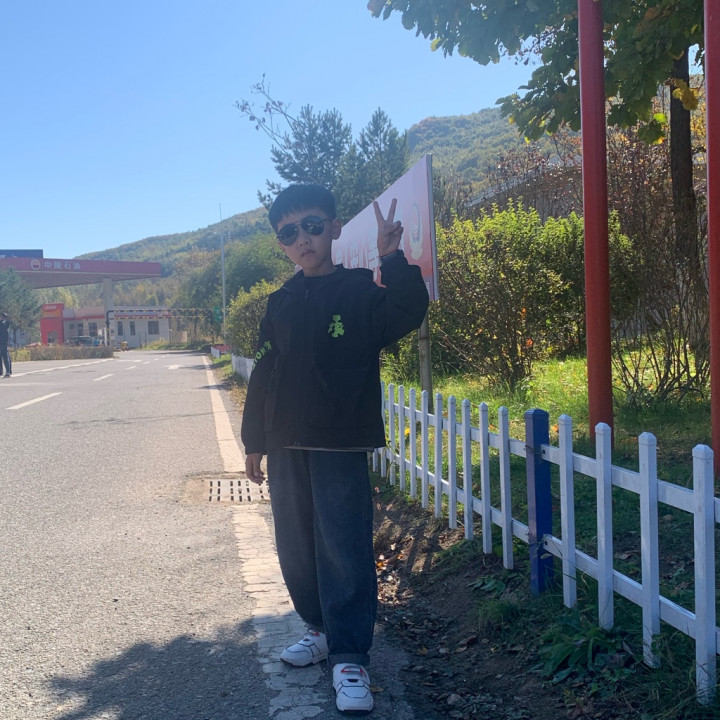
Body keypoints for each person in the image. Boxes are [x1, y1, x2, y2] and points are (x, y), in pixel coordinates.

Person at [241, 184, 429, 714]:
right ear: (282, 244)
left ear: (335, 227)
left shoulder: (358, 291)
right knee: (296, 545)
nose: (302, 239)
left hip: (340, 441)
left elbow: (406, 310)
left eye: (312, 226)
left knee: (343, 546)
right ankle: (320, 629)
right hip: (284, 442)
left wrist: (392, 257)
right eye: (289, 233)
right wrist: (254, 440)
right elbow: (264, 370)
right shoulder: (279, 301)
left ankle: (350, 656)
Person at [0, 312, 12, 378]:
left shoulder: (5, 323)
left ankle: (8, 372)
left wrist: (5, 319)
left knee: (5, 357)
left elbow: (6, 325)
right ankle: (0, 372)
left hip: (4, 343)